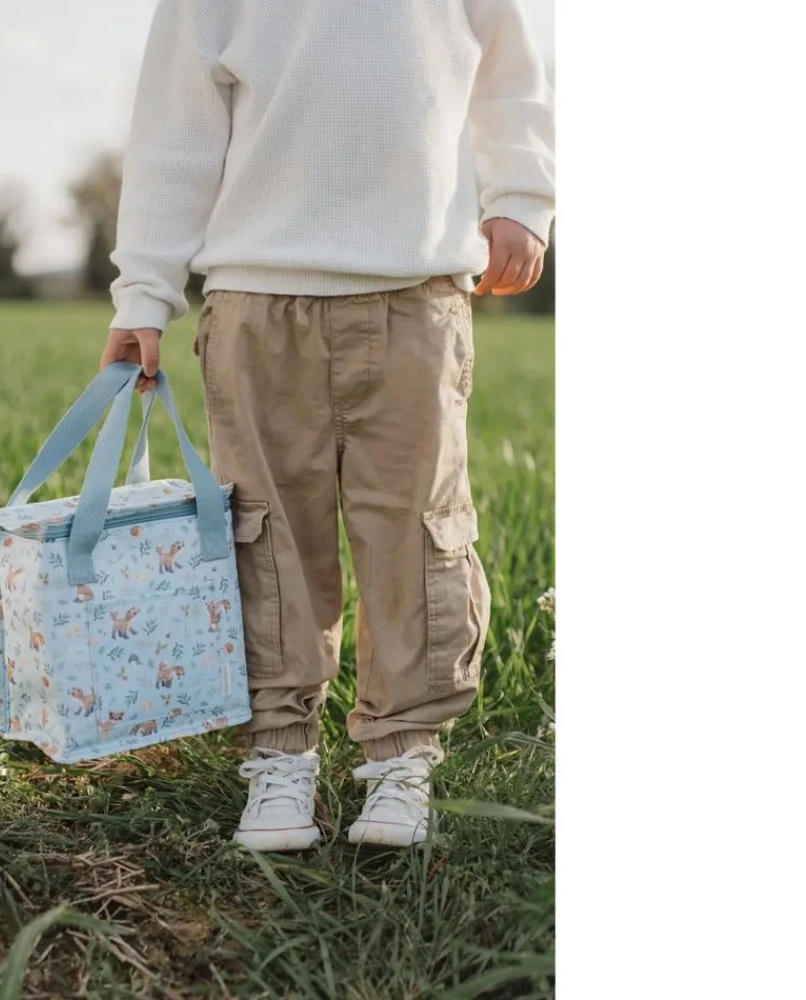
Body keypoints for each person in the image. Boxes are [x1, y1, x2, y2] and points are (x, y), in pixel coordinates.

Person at [100, 0, 554, 851]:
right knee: (265, 534)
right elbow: (175, 126)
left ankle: (402, 758)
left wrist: (522, 197)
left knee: (417, 532)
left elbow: (514, 73)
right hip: (256, 297)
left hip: (416, 293)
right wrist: (145, 291)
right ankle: (281, 755)